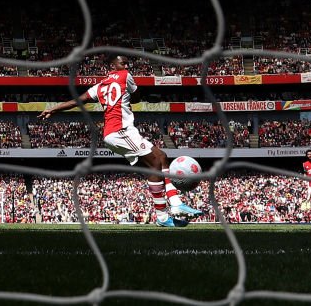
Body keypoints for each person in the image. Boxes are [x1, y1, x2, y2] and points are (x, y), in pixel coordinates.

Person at [39, 55, 201, 227]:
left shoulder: (100, 86)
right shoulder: (125, 75)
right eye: (122, 62)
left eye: (126, 62)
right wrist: (131, 98)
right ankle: (162, 217)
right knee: (154, 163)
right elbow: (137, 97)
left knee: (161, 156)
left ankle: (176, 203)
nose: (126, 64)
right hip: (119, 131)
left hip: (122, 131)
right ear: (113, 65)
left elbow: (78, 101)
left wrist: (53, 109)